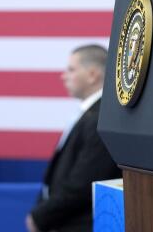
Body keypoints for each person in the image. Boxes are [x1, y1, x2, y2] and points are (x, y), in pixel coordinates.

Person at [26, 44, 121, 232]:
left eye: (71, 69)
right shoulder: (91, 114)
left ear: (92, 75)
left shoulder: (100, 118)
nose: (63, 76)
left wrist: (40, 216)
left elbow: (83, 183)